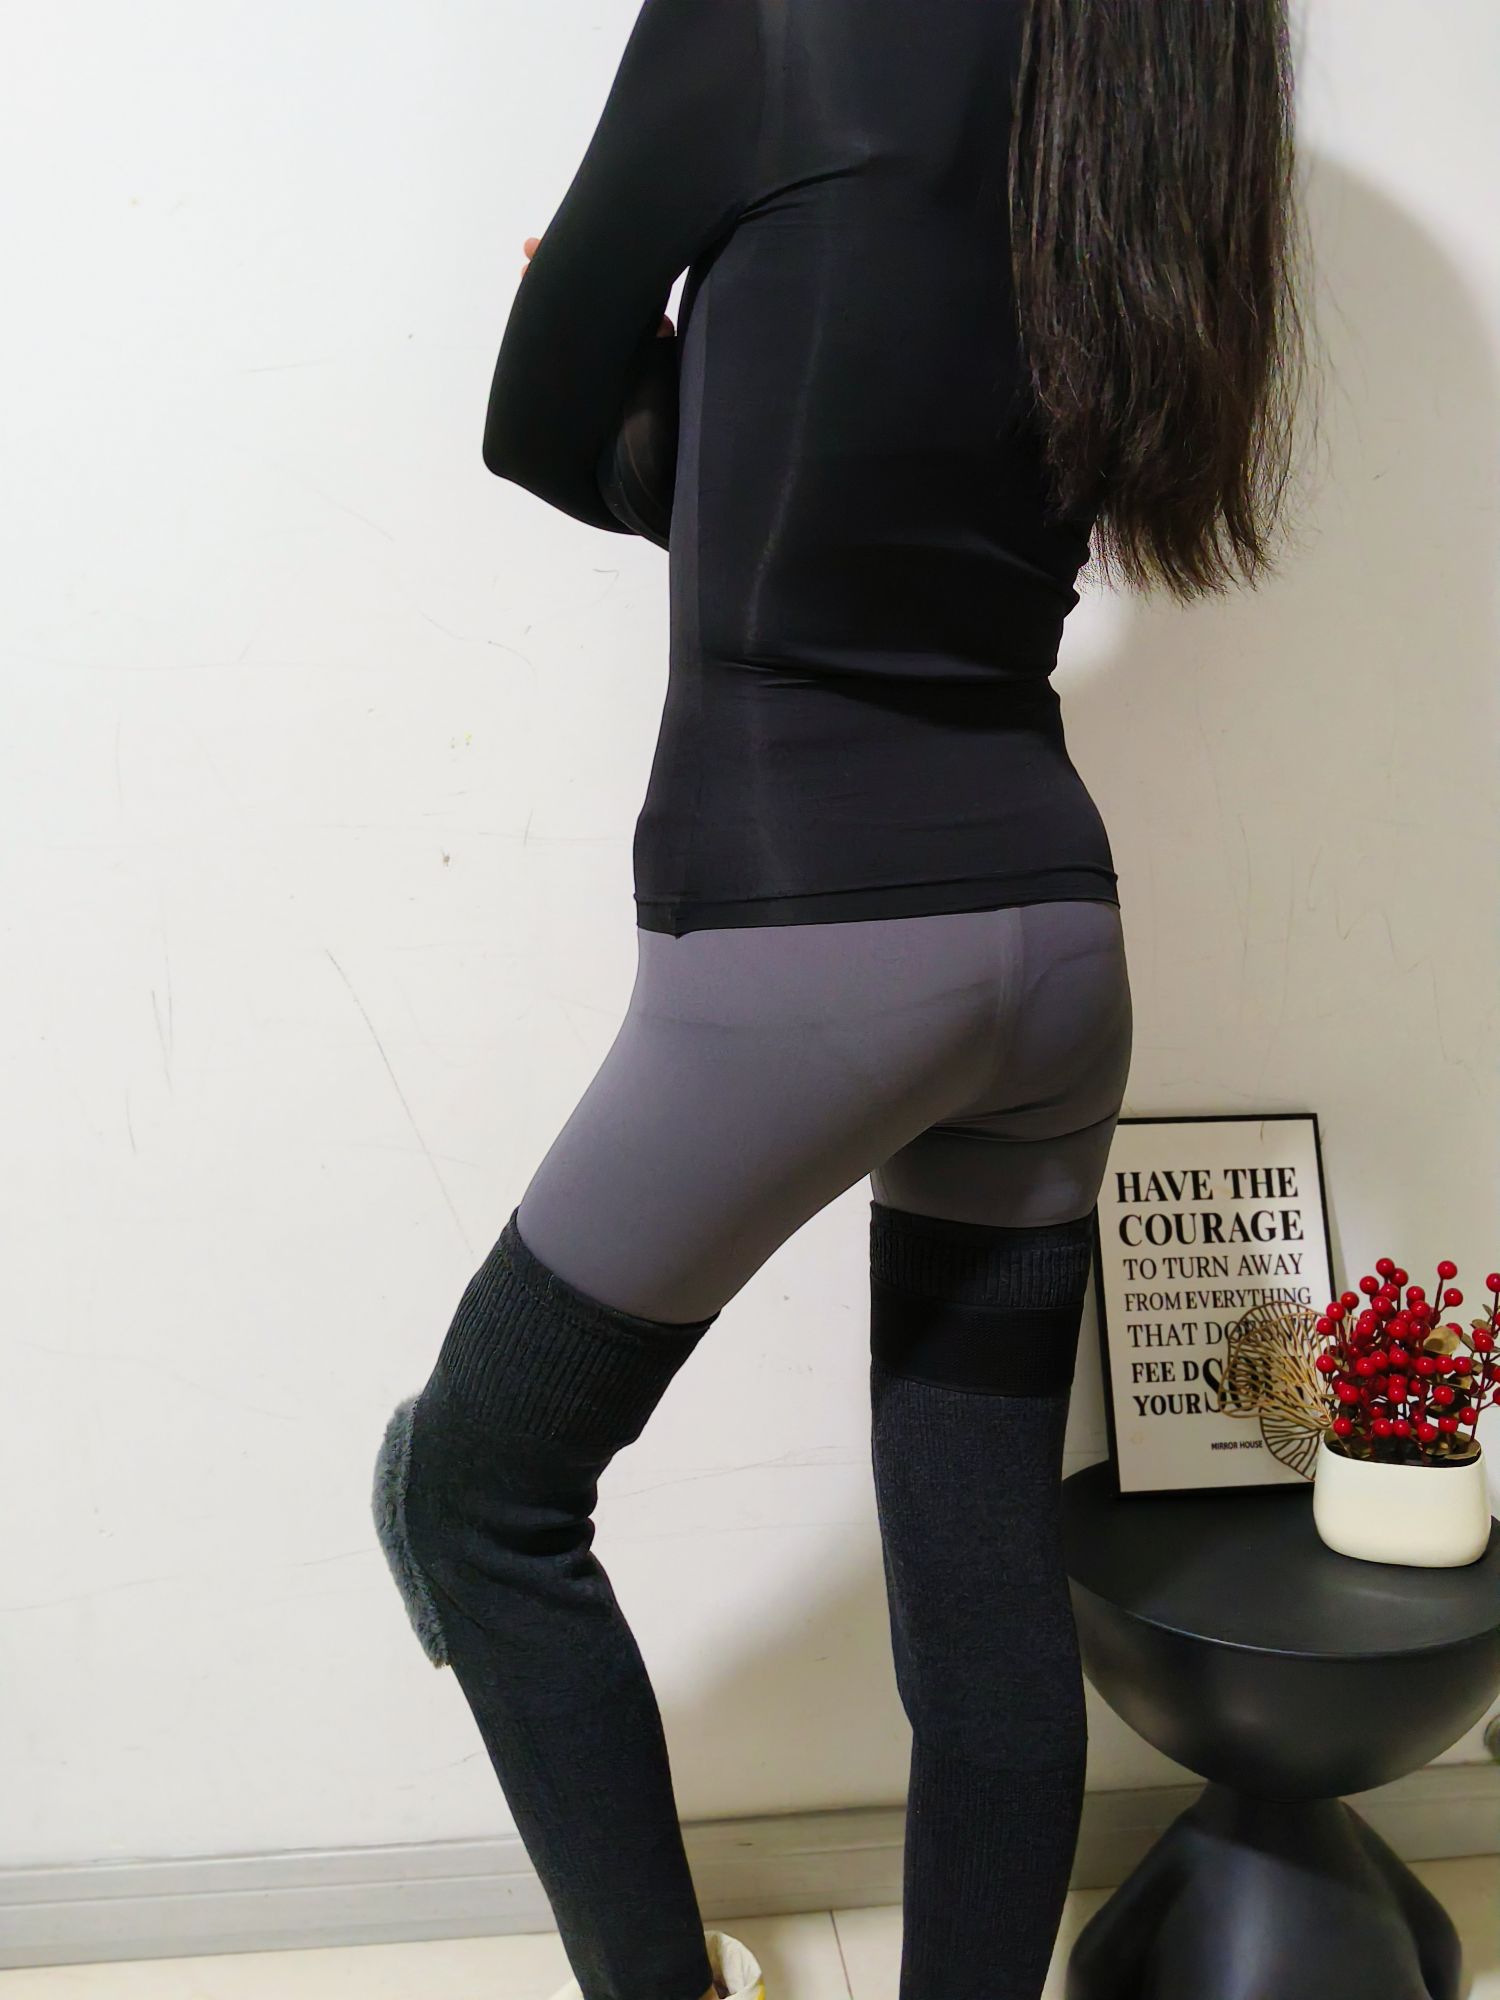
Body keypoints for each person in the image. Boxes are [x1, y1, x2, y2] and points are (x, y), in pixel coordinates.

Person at [372, 2, 1313, 1997]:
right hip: (1057, 948)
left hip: (800, 947)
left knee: (470, 1493)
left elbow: (537, 424)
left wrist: (661, 373)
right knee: (980, 1603)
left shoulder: (775, 16)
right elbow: (913, 489)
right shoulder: (1144, 87)